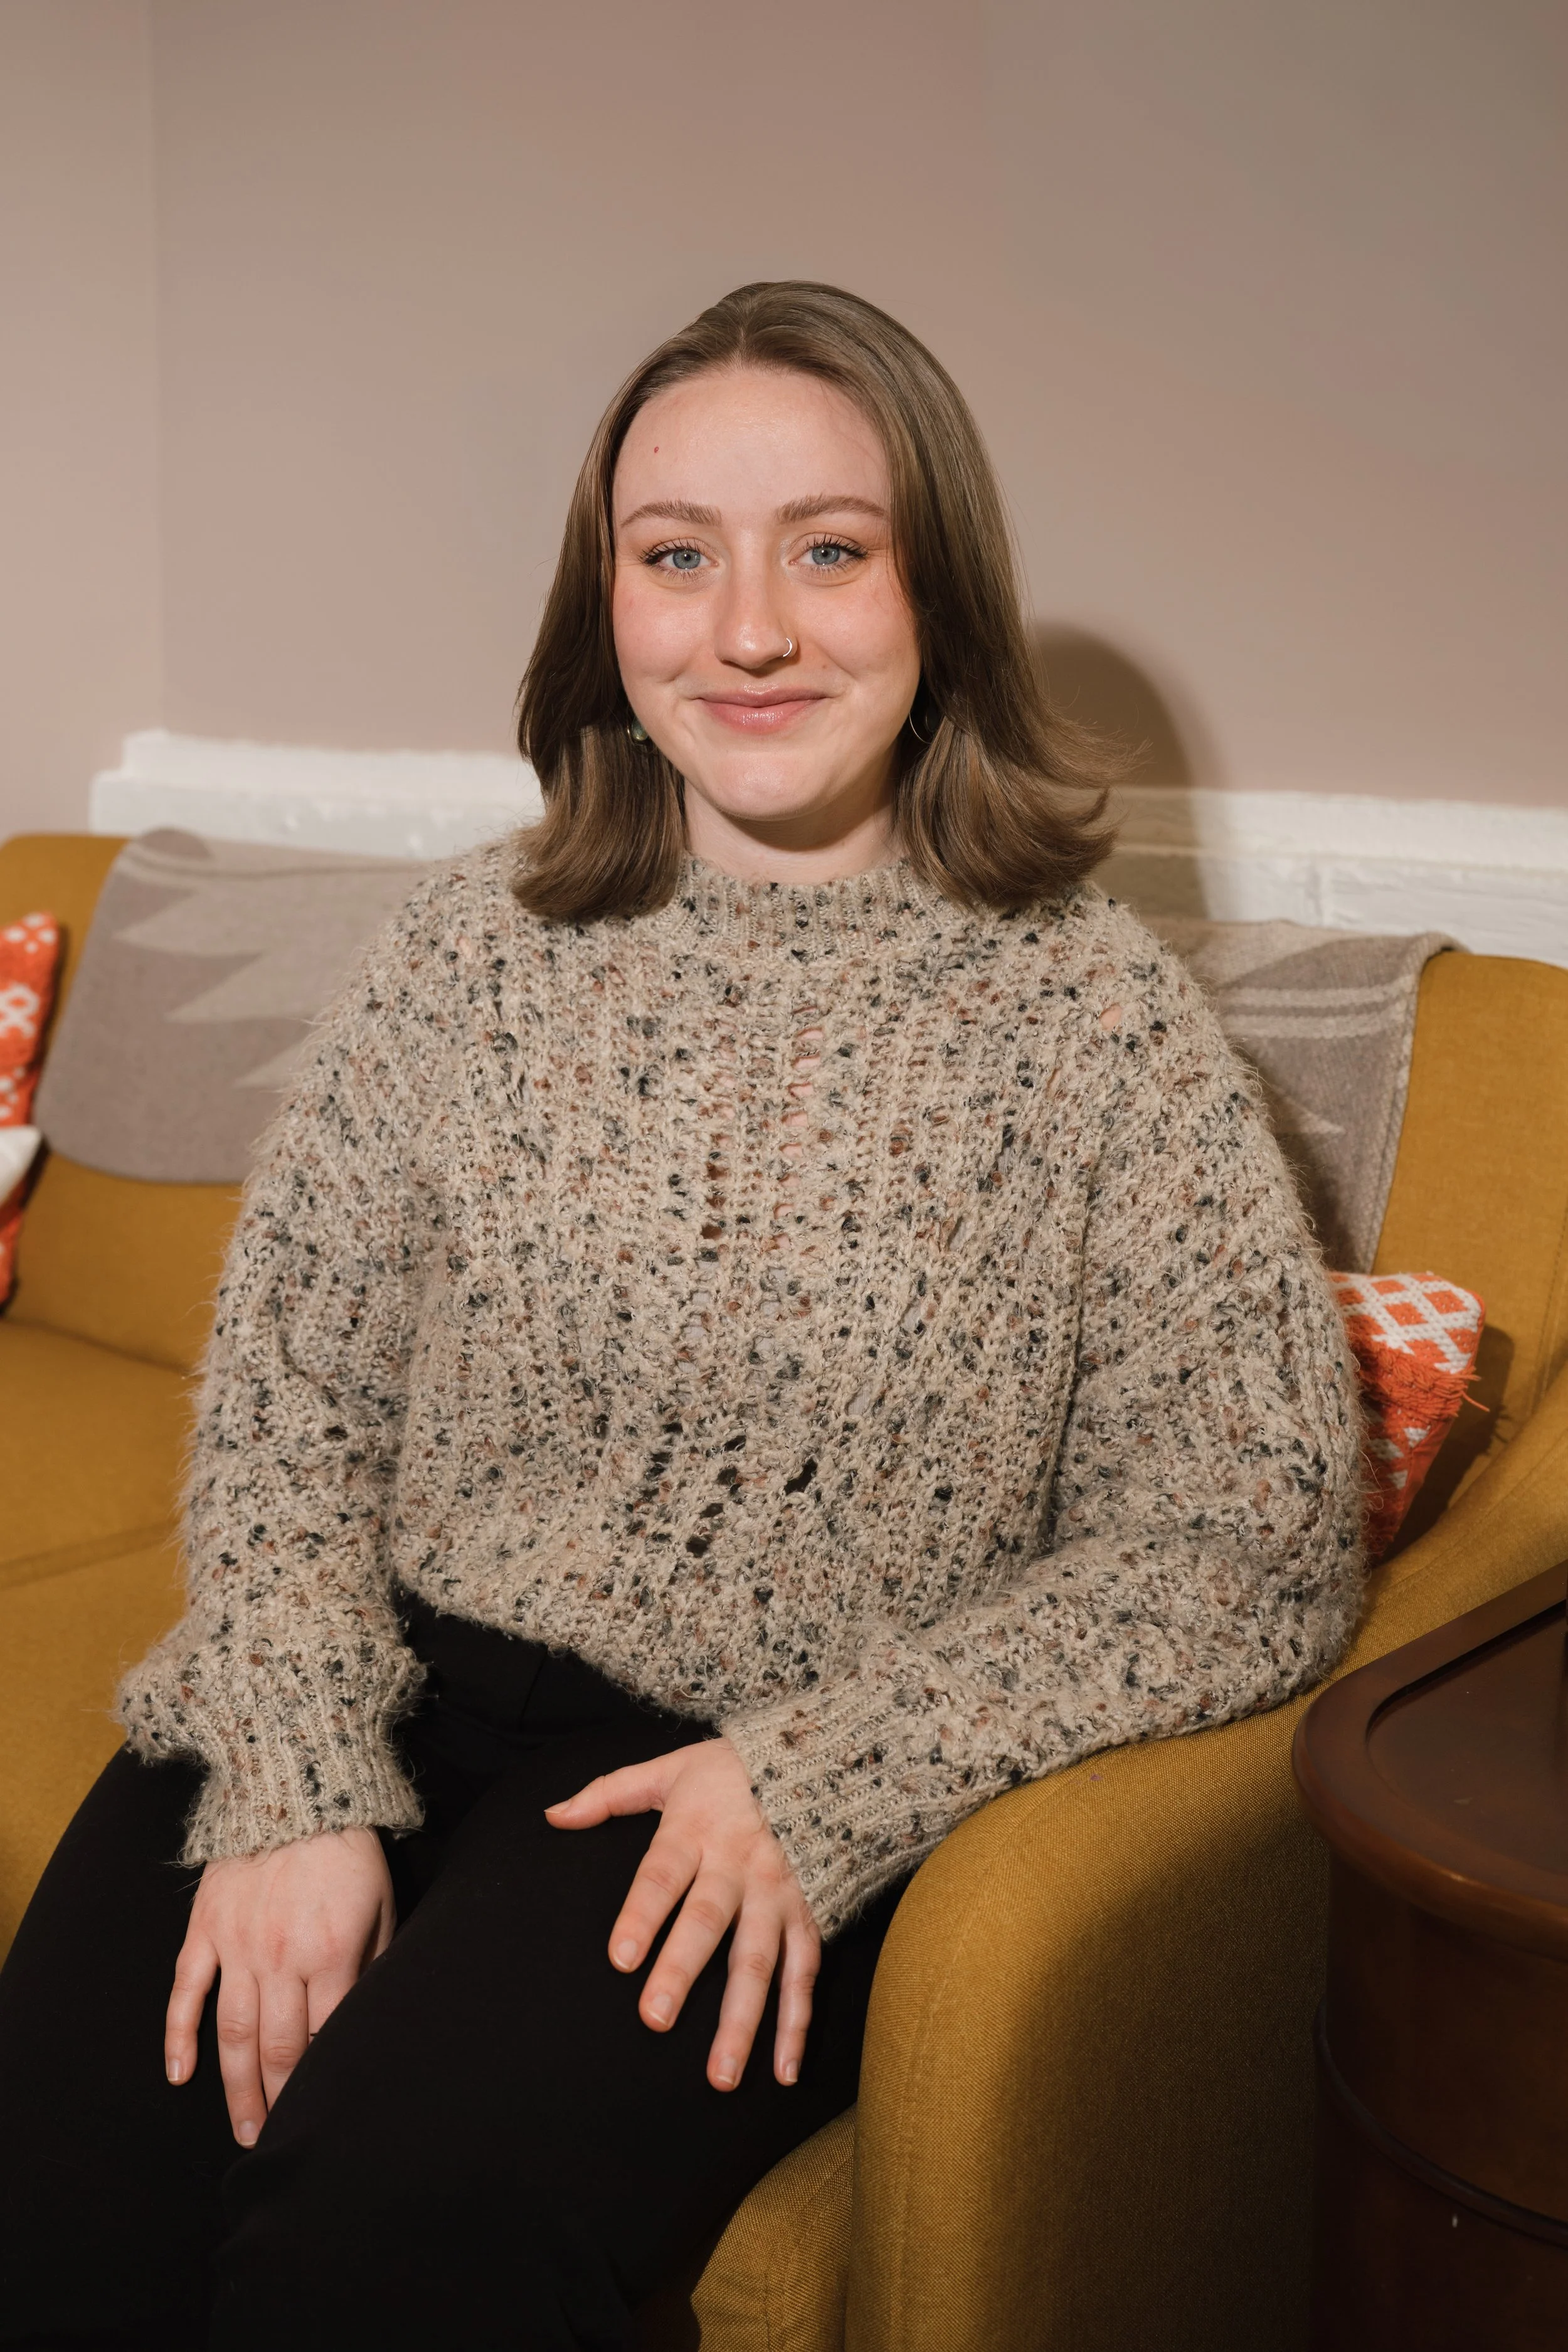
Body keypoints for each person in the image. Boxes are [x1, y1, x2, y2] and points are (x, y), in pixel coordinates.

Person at [0, 281, 1364, 2350]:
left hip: (738, 1771)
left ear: (938, 601)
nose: (747, 630)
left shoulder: (1098, 1029)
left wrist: (832, 1774)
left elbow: (1248, 1533)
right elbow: (288, 1407)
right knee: (62, 2184)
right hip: (380, 1661)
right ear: (604, 606)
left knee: (377, 2245)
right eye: (674, 557)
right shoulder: (465, 950)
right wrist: (291, 1770)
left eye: (828, 548)